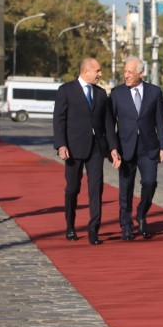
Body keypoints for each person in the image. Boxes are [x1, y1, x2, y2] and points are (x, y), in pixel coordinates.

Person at [53, 57, 120, 245]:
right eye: (97, 71)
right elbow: (59, 120)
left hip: (97, 148)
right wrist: (61, 145)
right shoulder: (66, 90)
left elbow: (107, 123)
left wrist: (113, 148)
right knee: (73, 189)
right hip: (73, 149)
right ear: (86, 71)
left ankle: (93, 230)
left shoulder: (100, 94)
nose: (100, 74)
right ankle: (70, 227)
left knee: (96, 189)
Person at [111, 57, 163, 240]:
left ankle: (142, 213)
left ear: (141, 73)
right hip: (125, 148)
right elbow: (110, 124)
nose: (126, 75)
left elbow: (161, 121)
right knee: (125, 189)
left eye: (129, 72)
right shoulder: (117, 93)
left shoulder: (154, 92)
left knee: (150, 182)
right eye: (125, 72)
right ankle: (126, 226)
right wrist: (113, 149)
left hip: (149, 148)